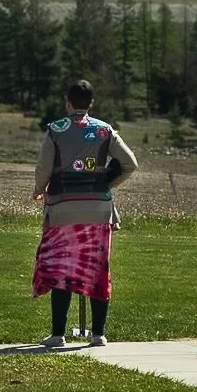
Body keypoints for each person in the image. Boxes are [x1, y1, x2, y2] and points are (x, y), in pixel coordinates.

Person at [31, 78, 139, 348]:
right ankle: (98, 334)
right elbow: (130, 163)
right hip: (99, 211)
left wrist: (39, 189)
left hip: (61, 209)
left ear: (67, 102)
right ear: (91, 103)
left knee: (61, 267)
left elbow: (44, 167)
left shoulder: (55, 130)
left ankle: (58, 335)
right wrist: (106, 183)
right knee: (98, 268)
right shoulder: (105, 131)